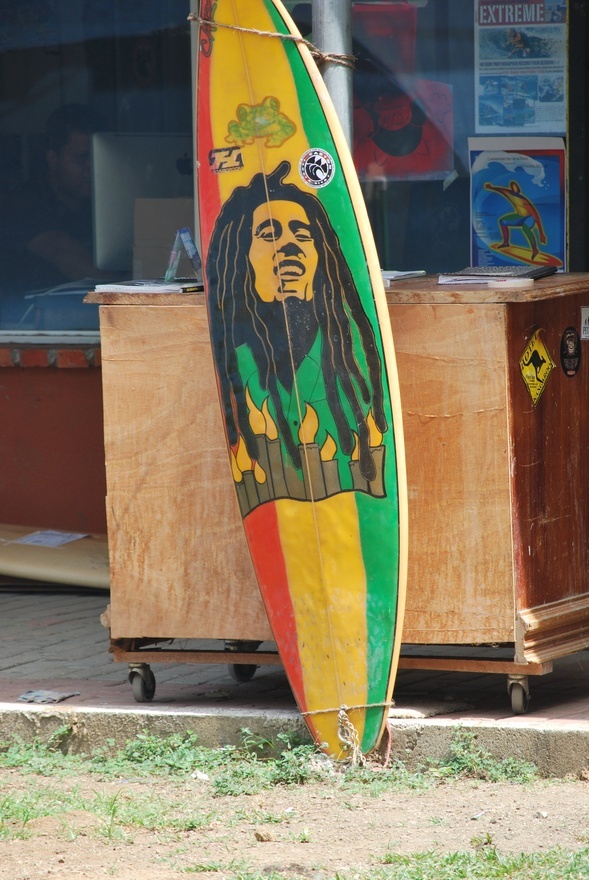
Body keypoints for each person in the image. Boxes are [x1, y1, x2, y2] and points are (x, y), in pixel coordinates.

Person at [205, 160, 387, 493]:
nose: (288, 245)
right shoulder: (236, 367)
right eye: (270, 234)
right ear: (243, 258)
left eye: (301, 234)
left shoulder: (354, 368)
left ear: (319, 257)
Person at [4, 103, 111, 294]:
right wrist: (133, 285)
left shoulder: (106, 206)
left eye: (98, 157)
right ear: (53, 158)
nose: (92, 167)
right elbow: (62, 252)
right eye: (81, 158)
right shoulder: (22, 203)